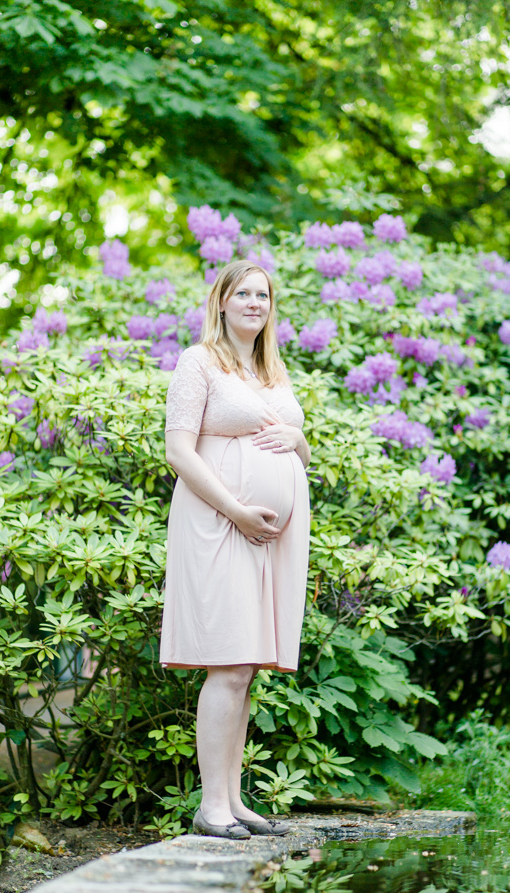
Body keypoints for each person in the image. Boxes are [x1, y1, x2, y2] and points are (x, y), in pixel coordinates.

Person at [160, 259, 311, 840]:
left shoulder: (271, 370)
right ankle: (211, 807)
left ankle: (232, 799)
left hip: (268, 538)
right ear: (220, 301)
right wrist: (238, 510)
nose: (255, 302)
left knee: (246, 667)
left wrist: (298, 441)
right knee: (226, 663)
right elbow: (179, 452)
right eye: (243, 293)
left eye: (263, 295)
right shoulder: (197, 363)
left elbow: (296, 449)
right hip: (219, 525)